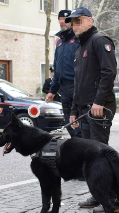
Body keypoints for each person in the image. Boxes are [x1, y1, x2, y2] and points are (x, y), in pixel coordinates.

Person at [66, 7, 117, 212]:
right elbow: (79, 83)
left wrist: (99, 101)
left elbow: (109, 72)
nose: (75, 25)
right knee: (90, 156)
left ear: (89, 21)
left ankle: (112, 199)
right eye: (73, 22)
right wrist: (74, 110)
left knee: (100, 155)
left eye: (79, 21)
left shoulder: (99, 40)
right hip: (85, 109)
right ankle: (98, 194)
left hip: (98, 108)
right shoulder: (80, 48)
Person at [45, 9, 82, 138]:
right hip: (64, 89)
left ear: (71, 21)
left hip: (77, 86)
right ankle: (77, 147)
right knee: (69, 122)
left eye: (65, 19)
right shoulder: (59, 42)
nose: (62, 22)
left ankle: (82, 151)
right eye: (60, 19)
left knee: (79, 123)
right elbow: (57, 68)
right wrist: (52, 91)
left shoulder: (78, 38)